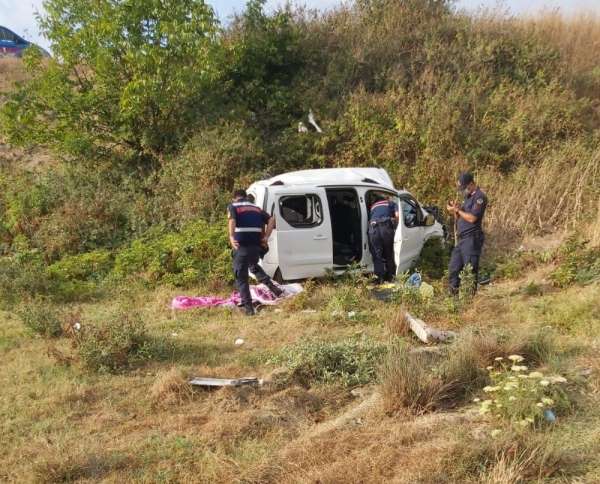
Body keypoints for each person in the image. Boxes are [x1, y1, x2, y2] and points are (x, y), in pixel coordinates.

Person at [228, 189, 283, 315]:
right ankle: (275, 289)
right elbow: (271, 220)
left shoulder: (233, 206)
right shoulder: (256, 208)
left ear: (234, 198)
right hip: (255, 247)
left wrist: (231, 237)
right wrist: (266, 237)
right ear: (246, 197)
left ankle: (248, 309)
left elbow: (232, 220)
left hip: (241, 247)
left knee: (241, 277)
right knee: (253, 265)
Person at [447, 172, 488, 295]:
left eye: (465, 187)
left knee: (470, 271)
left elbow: (472, 218)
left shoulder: (480, 197)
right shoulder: (467, 197)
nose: (463, 190)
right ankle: (453, 299)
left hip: (472, 239)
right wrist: (455, 210)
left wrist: (458, 210)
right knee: (454, 268)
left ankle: (470, 302)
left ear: (471, 184)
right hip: (462, 239)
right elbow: (459, 217)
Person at [368, 194, 400, 284]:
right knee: (388, 254)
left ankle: (379, 279)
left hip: (373, 229)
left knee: (377, 256)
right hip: (386, 228)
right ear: (387, 198)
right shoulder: (391, 203)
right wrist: (395, 226)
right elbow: (397, 216)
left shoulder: (373, 206)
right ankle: (390, 277)